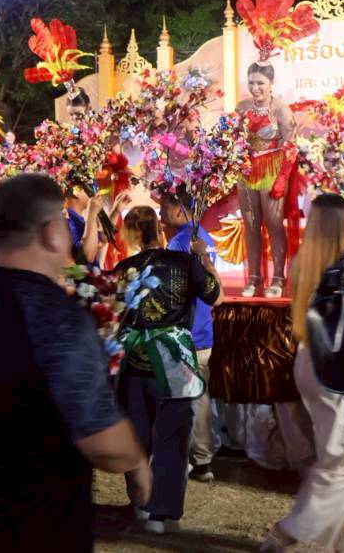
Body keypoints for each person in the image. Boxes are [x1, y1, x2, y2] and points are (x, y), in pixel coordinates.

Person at [0, 173, 151, 552]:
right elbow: (102, 440)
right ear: (52, 232)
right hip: (35, 527)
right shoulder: (55, 315)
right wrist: (136, 462)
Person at [265, 193, 344, 553]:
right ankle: (293, 529)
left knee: (340, 455)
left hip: (309, 360)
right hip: (335, 367)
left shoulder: (304, 263)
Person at [115, 204, 223, 534]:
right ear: (159, 230)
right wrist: (203, 258)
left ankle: (140, 504)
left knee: (137, 434)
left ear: (133, 235)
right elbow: (214, 295)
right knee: (174, 436)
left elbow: (115, 313)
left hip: (135, 356)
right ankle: (163, 514)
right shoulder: (184, 262)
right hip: (175, 356)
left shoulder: (125, 268)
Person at [158, 190, 219, 483]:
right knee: (201, 397)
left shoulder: (179, 243)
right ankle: (203, 458)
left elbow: (174, 291)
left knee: (180, 399)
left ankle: (181, 458)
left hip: (186, 332)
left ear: (180, 210)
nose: (160, 214)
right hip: (204, 330)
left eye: (164, 208)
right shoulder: (204, 238)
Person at [236, 62, 296, 298]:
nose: (255, 88)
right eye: (251, 82)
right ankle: (254, 277)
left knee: (273, 224)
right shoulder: (242, 108)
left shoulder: (281, 110)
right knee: (250, 224)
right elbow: (230, 139)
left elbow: (291, 147)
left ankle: (278, 277)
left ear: (272, 83)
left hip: (273, 169)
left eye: (260, 83)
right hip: (246, 171)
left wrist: (282, 178)